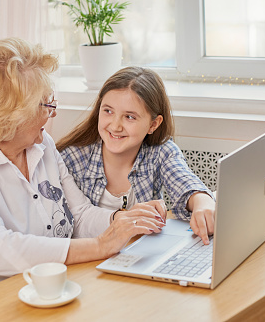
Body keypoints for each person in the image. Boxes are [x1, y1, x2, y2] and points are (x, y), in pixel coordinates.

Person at [0, 39, 165, 322]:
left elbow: (80, 214)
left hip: (39, 298)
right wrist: (100, 246)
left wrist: (124, 222)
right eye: (44, 104)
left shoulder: (41, 145)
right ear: (9, 116)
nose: (52, 112)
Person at [56, 66, 215, 245]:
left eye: (129, 117)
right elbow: (66, 224)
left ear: (153, 124)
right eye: (108, 111)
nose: (115, 126)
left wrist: (204, 202)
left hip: (139, 254)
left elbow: (185, 183)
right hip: (89, 258)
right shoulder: (72, 159)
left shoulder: (160, 152)